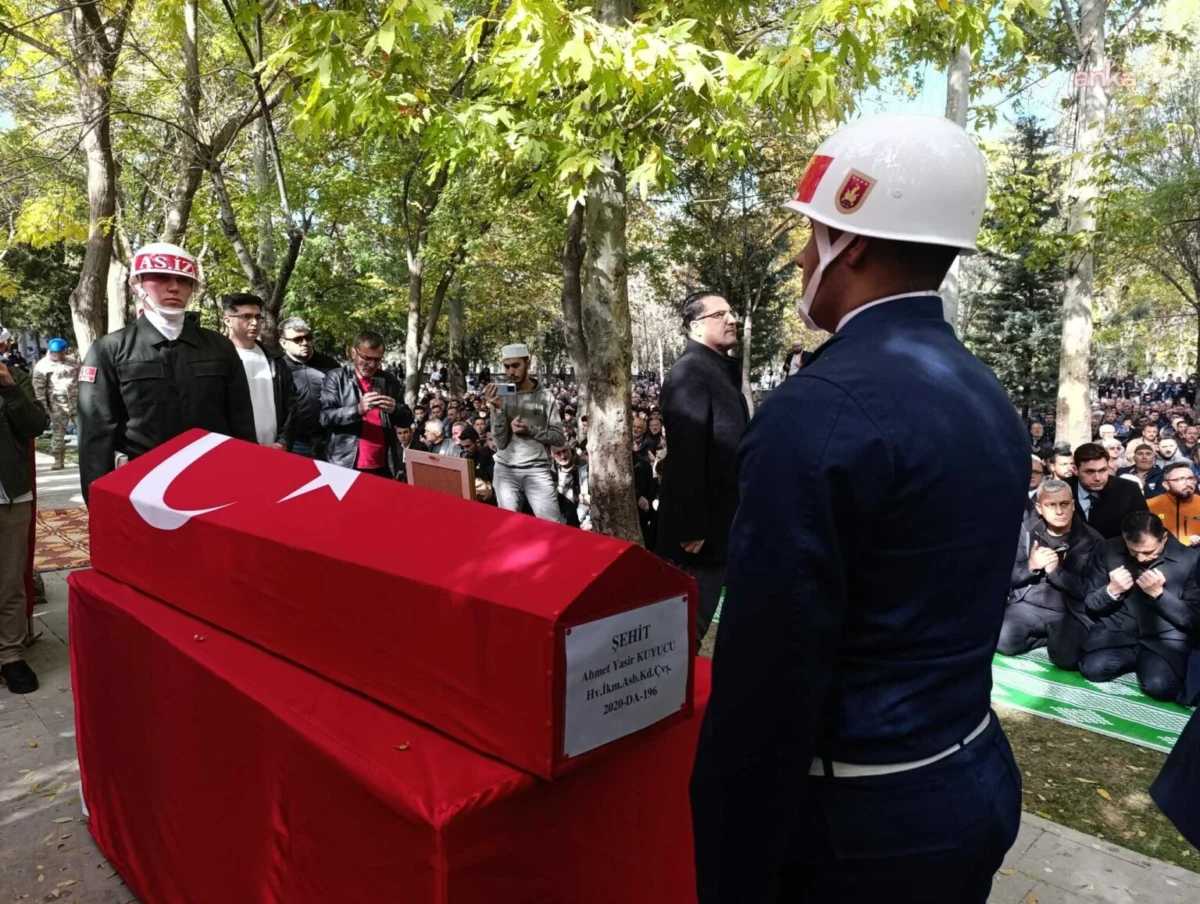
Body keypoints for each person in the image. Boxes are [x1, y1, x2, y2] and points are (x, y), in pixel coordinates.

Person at [691, 114, 1027, 904]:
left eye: (814, 236)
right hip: (967, 776)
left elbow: (767, 674)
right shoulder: (983, 390)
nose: (802, 257)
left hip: (859, 826)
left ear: (857, 245)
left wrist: (732, 857)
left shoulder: (817, 412)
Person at [77, 243, 257, 503]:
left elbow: (242, 423)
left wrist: (248, 482)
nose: (174, 287)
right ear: (137, 284)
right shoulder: (109, 349)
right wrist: (99, 501)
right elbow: (96, 434)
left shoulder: (219, 347)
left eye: (183, 280)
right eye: (161, 277)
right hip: (142, 490)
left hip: (213, 483)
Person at [657, 291, 748, 645]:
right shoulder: (690, 373)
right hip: (699, 536)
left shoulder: (717, 371)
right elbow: (686, 453)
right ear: (696, 326)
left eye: (732, 312)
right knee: (682, 635)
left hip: (722, 522)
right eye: (720, 314)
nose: (732, 319)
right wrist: (692, 525)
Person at [1080, 511, 1199, 702]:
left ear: (1164, 538)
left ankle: (1149, 667)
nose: (1141, 558)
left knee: (1160, 687)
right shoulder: (1107, 549)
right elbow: (1091, 603)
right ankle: (1137, 665)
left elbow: (1194, 619)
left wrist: (1160, 595)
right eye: (1133, 551)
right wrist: (1111, 591)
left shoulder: (1191, 560)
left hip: (1163, 639)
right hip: (1119, 633)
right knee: (1093, 670)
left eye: (1149, 552)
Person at [999, 478, 1102, 670]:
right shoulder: (1025, 531)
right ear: (1039, 508)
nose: (1059, 511)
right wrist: (1030, 566)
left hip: (1068, 612)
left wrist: (1056, 572)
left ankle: (1055, 641)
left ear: (1073, 505)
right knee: (1004, 642)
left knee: (1066, 658)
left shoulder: (1093, 540)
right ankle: (1045, 639)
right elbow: (1005, 576)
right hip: (1027, 606)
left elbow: (1091, 591)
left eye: (1064, 504)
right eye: (1050, 505)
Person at [0, 335, 47, 693]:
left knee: (10, 580)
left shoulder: (16, 377)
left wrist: (11, 388)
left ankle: (10, 655)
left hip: (10, 494)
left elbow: (34, 425)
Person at [484, 343, 565, 523]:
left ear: (527, 364)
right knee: (508, 526)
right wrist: (498, 410)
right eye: (507, 367)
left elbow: (559, 438)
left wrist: (531, 430)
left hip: (537, 470)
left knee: (551, 527)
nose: (511, 371)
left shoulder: (545, 396)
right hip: (505, 470)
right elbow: (500, 442)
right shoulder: (500, 395)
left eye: (516, 365)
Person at [319, 331, 412, 479]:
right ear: (353, 353)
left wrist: (395, 409)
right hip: (346, 463)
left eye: (377, 359)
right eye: (367, 358)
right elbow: (325, 417)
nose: (372, 364)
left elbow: (407, 419)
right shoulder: (336, 378)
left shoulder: (389, 380)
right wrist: (357, 410)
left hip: (384, 465)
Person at [221, 294, 296, 451]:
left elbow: (291, 405)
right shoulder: (216, 358)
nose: (254, 323)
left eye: (258, 317)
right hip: (233, 450)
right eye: (246, 317)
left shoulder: (275, 359)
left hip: (275, 450)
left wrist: (283, 442)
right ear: (227, 320)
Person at [279, 316, 339, 458]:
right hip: (294, 442)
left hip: (328, 440)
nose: (305, 343)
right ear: (283, 343)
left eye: (308, 337)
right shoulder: (278, 367)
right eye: (298, 340)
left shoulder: (329, 364)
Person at [1069, 443, 1149, 540]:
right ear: (1075, 470)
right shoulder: (1063, 490)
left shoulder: (1129, 489)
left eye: (1102, 470)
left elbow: (1142, 528)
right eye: (1089, 472)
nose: (1097, 478)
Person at [31, 338, 78, 471]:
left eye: (63, 352)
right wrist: (43, 410)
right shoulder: (42, 366)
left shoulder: (72, 361)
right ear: (51, 352)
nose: (62, 355)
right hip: (57, 405)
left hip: (76, 402)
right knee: (58, 433)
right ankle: (58, 458)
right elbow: (39, 390)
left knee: (85, 431)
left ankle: (87, 456)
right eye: (59, 354)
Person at [1147, 461, 1200, 546]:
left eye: (1191, 478)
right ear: (1166, 485)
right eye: (1181, 479)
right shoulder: (1150, 505)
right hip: (1162, 551)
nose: (1188, 483)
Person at [552, 442, 590, 529]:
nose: (562, 456)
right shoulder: (551, 475)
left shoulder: (584, 469)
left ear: (571, 450)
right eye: (558, 453)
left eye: (565, 451)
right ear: (553, 456)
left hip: (582, 521)